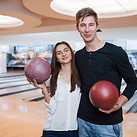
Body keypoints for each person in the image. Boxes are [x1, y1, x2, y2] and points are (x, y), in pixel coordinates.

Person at [75, 7, 137, 137]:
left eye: (91, 25)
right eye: (83, 25)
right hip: (82, 121)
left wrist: (118, 104)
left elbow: (133, 82)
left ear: (97, 26)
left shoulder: (115, 52)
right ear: (77, 28)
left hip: (108, 124)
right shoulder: (78, 56)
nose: (87, 30)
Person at [28, 41, 81, 137]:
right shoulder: (51, 79)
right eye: (59, 53)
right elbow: (51, 109)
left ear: (71, 53)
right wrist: (44, 89)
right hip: (51, 130)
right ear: (56, 58)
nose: (63, 54)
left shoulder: (80, 77)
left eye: (66, 50)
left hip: (72, 130)